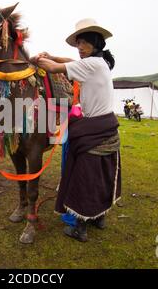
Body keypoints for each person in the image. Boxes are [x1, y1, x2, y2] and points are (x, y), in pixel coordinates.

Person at [31, 18, 121, 242]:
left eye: (83, 43)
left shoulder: (91, 64)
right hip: (106, 128)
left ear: (95, 43)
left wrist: (36, 60)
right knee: (101, 177)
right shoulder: (99, 64)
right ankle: (99, 218)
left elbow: (53, 69)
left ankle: (79, 228)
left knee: (84, 179)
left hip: (93, 131)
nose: (79, 48)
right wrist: (51, 55)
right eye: (77, 43)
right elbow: (68, 60)